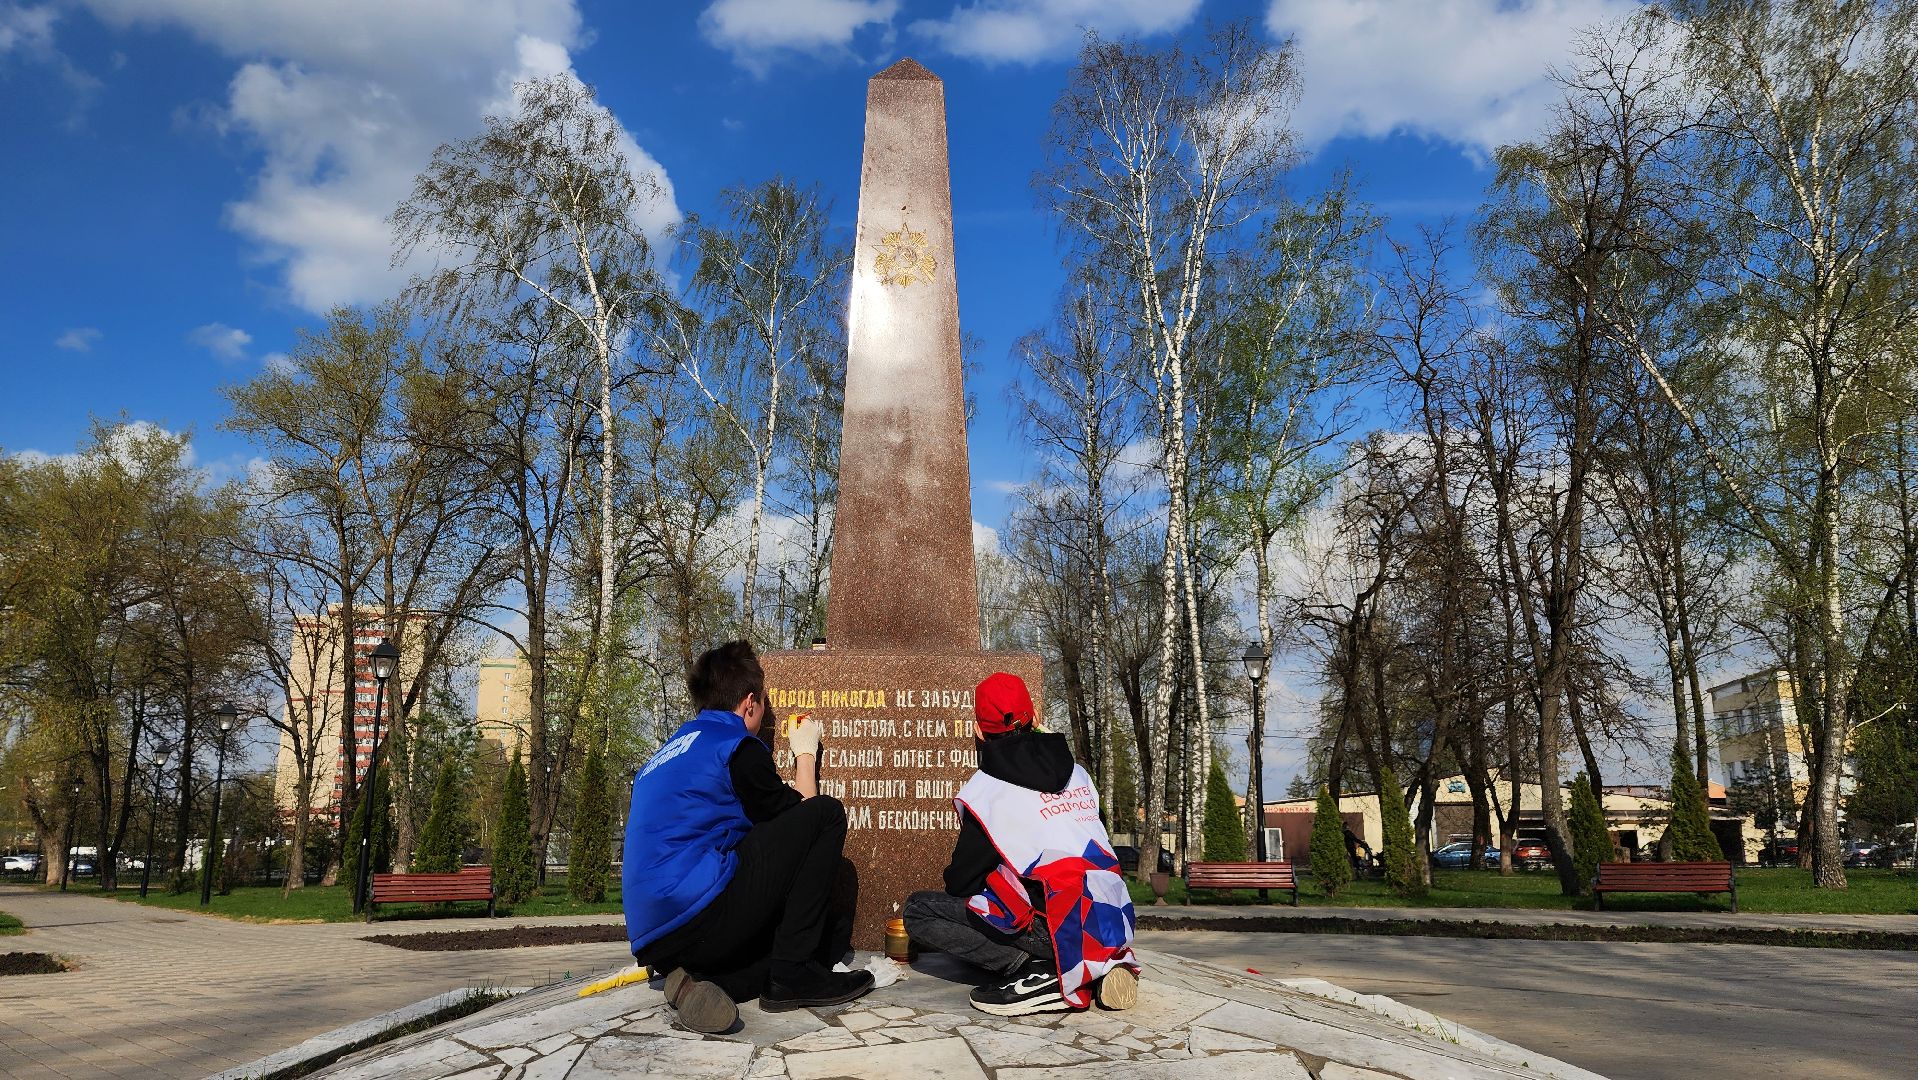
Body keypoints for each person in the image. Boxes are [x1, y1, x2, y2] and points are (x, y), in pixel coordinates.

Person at [622, 641, 872, 1033]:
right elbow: (806, 816)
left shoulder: (664, 754)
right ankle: (794, 976)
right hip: (700, 912)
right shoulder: (734, 746)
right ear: (750, 703)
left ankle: (704, 983)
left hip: (656, 940)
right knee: (828, 815)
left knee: (825, 937)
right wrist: (805, 753)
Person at [904, 672, 1140, 1016]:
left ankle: (1039, 970)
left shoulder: (987, 790)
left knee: (918, 910)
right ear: (1037, 719)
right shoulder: (1078, 773)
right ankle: (1097, 963)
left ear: (979, 732)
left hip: (1055, 923)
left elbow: (960, 882)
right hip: (1112, 917)